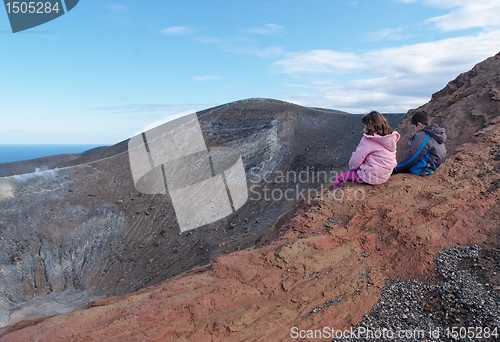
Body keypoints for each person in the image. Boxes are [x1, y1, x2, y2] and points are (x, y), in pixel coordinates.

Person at [333, 111, 400, 189]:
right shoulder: (389, 139)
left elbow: (356, 159)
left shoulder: (368, 140)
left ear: (370, 126)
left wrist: (352, 168)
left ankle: (333, 195)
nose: (363, 128)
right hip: (385, 175)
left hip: (371, 177)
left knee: (340, 177)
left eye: (364, 126)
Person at [393, 110, 446, 176]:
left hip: (422, 170)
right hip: (433, 167)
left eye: (414, 127)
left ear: (419, 124)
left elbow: (413, 156)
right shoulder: (435, 133)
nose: (414, 129)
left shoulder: (422, 135)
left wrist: (397, 168)